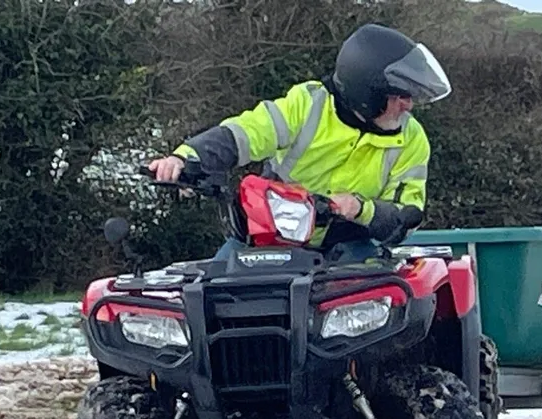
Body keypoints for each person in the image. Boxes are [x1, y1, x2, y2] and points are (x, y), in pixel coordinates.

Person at [145, 23, 451, 260]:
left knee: (388, 317)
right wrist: (185, 158)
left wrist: (361, 209)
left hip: (349, 247)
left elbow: (406, 216)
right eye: (399, 96)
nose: (408, 106)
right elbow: (245, 133)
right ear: (367, 92)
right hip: (269, 238)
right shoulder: (307, 105)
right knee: (214, 292)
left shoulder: (411, 140)